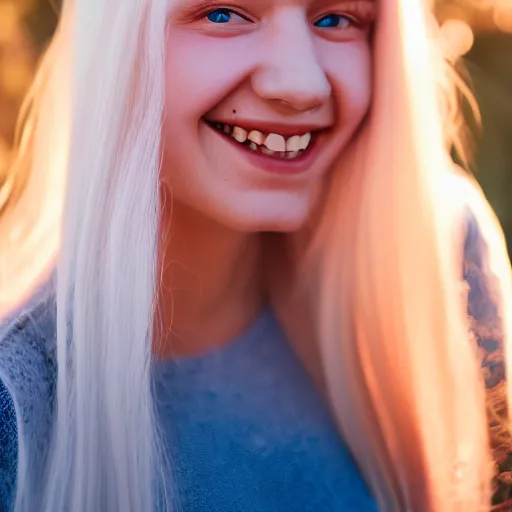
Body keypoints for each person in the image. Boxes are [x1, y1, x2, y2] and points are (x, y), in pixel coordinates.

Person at [0, 0, 511, 511]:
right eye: (222, 13)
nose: (301, 84)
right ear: (114, 45)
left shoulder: (438, 252)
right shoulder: (14, 410)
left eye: (337, 19)